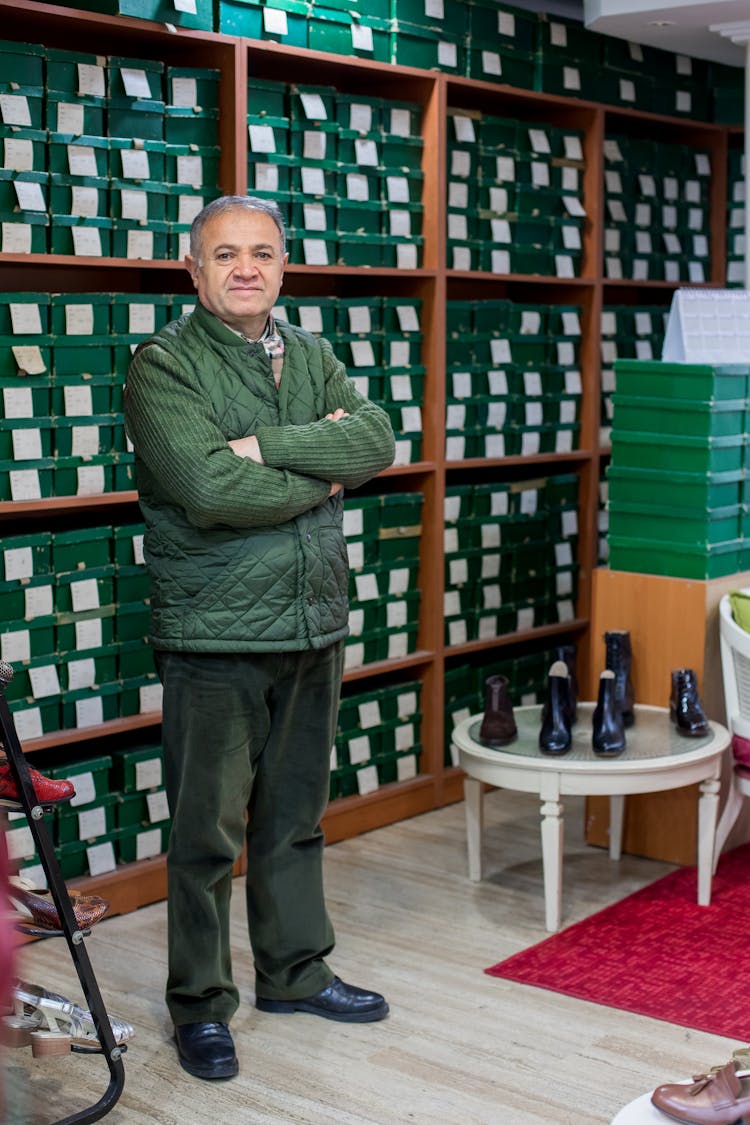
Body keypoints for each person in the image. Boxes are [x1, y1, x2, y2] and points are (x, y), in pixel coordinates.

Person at [124, 195, 396, 1082]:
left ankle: (295, 970)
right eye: (227, 254)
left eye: (263, 253)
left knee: (295, 819)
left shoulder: (312, 353)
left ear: (284, 267)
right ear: (192, 271)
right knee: (206, 834)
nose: (247, 267)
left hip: (313, 620)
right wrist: (317, 475)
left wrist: (267, 445)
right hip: (213, 635)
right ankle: (200, 1005)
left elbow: (375, 441)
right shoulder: (163, 365)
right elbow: (208, 493)